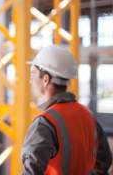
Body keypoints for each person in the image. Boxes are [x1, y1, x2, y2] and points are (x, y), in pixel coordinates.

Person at [22, 45, 112, 174]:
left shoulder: (45, 123)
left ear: (45, 79)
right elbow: (104, 161)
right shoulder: (88, 116)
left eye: (33, 74)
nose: (30, 81)